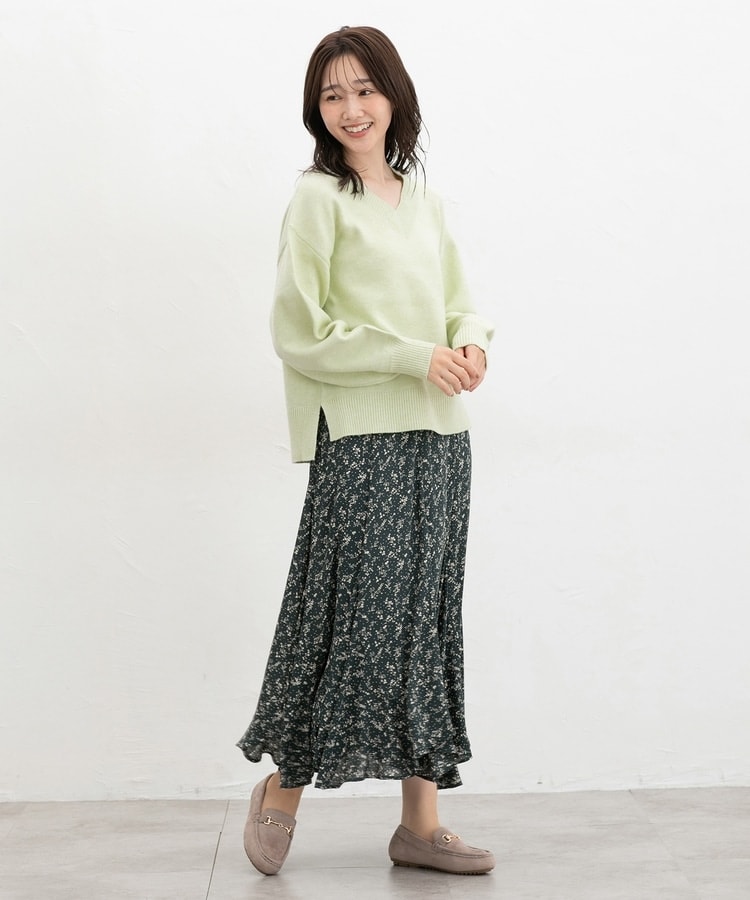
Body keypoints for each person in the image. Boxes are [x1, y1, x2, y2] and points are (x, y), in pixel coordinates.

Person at [236, 24, 495, 877]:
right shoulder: (318, 199)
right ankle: (282, 788)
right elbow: (299, 333)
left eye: (364, 89)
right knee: (344, 621)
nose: (350, 108)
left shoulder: (423, 198)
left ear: (393, 95)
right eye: (331, 94)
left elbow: (461, 300)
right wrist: (414, 356)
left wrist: (470, 344)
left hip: (440, 438)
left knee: (425, 623)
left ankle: (420, 825)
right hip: (360, 437)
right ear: (316, 109)